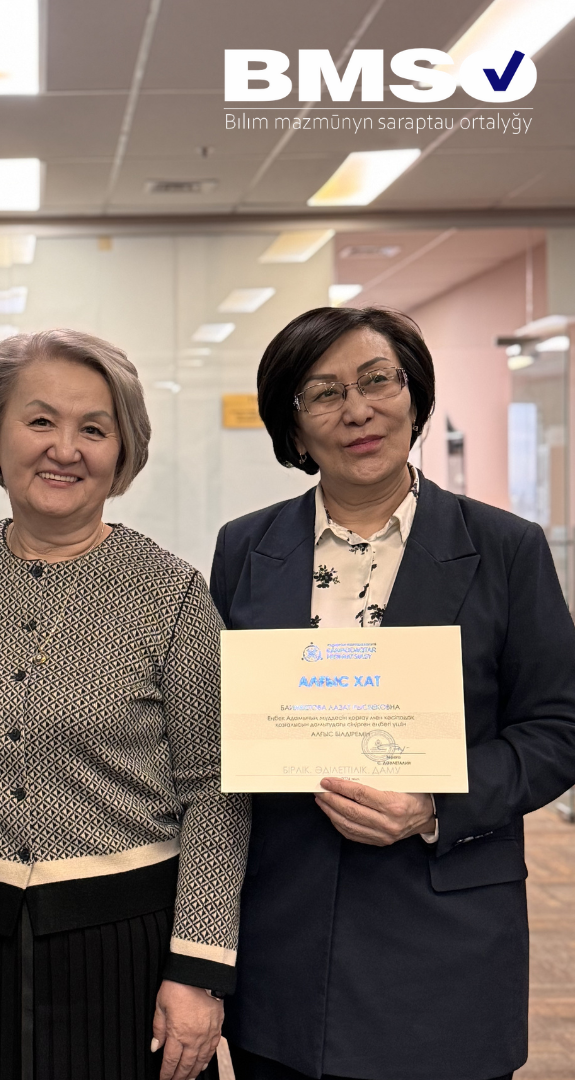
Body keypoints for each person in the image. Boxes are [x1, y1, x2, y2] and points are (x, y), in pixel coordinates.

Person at [210, 306, 575, 1080]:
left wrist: (435, 802)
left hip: (444, 941)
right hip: (285, 944)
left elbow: (559, 727)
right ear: (293, 428)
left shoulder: (506, 548)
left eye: (378, 380)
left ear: (415, 396)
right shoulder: (245, 547)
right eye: (324, 393)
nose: (358, 410)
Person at [0, 329, 250, 1080]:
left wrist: (198, 968)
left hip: (125, 946)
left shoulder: (171, 592)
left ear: (122, 453)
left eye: (94, 428)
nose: (66, 448)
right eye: (40, 421)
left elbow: (218, 788)